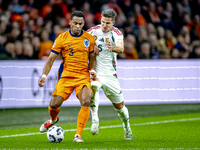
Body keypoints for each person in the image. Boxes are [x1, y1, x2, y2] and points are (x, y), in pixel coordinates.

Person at [38, 11, 96, 143]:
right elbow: (51, 59)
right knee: (54, 104)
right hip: (66, 76)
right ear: (69, 22)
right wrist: (44, 76)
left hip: (83, 76)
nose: (77, 26)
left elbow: (92, 57)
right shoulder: (62, 38)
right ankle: (53, 120)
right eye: (75, 23)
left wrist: (92, 70)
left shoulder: (89, 39)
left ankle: (78, 135)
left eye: (80, 24)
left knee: (86, 100)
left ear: (83, 24)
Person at [87, 9, 133, 140]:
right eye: (102, 22)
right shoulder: (92, 32)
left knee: (119, 106)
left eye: (107, 23)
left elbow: (121, 48)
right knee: (94, 86)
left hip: (110, 74)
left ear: (113, 22)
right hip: (96, 71)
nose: (104, 25)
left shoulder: (116, 33)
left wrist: (113, 48)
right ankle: (95, 119)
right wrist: (91, 46)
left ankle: (126, 126)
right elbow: (82, 44)